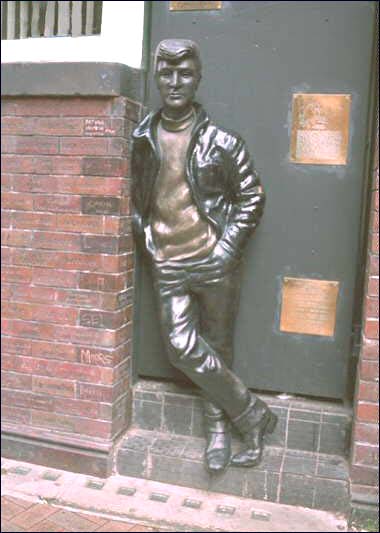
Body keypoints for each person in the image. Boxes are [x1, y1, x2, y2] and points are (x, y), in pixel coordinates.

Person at [131, 38, 277, 474]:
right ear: (157, 77)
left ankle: (220, 432)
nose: (175, 82)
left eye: (185, 73)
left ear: (198, 78)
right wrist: (145, 234)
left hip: (214, 261)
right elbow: (138, 194)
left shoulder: (222, 142)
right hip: (168, 261)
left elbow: (252, 195)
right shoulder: (142, 138)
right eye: (166, 73)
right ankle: (252, 414)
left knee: (218, 348)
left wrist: (227, 249)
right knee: (181, 348)